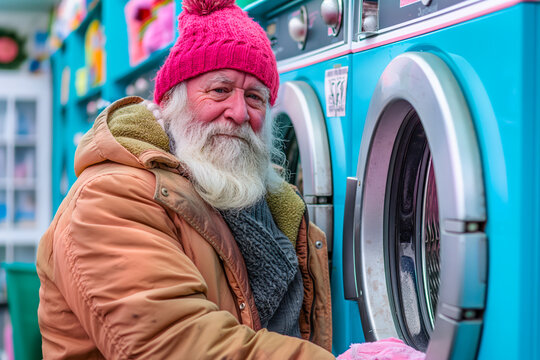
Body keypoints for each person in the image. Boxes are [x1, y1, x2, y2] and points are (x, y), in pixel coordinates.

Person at [36, 0, 334, 358]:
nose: (239, 113)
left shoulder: (264, 203)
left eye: (255, 98)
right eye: (220, 90)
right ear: (172, 102)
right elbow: (177, 344)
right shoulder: (109, 196)